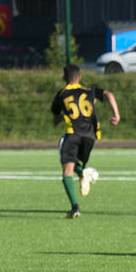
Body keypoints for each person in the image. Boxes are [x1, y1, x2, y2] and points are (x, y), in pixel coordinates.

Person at [51, 63, 120, 218]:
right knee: (77, 164)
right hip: (90, 137)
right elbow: (109, 94)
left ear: (64, 78)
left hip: (72, 134)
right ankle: (84, 173)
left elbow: (56, 117)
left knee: (67, 170)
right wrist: (117, 115)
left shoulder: (61, 94)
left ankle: (75, 207)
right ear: (80, 77)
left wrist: (59, 119)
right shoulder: (90, 91)